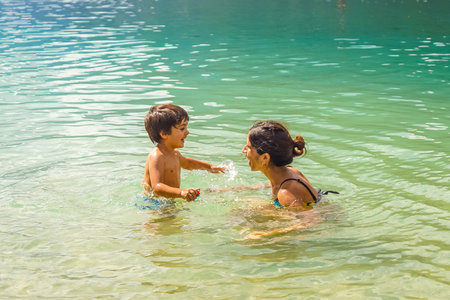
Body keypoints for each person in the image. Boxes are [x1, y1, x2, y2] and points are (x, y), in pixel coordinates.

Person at [241, 121, 338, 238]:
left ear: (265, 158)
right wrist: (223, 190)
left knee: (244, 218)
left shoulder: (285, 193)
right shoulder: (288, 172)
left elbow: (313, 221)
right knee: (242, 207)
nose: (243, 150)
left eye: (249, 147)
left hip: (327, 221)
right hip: (324, 208)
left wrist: (266, 235)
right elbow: (266, 186)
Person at [142, 104, 225, 203]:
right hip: (153, 203)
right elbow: (157, 187)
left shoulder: (175, 153)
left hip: (169, 201)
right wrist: (181, 192)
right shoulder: (157, 156)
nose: (187, 132)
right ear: (164, 133)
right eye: (182, 129)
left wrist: (210, 167)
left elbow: (188, 164)